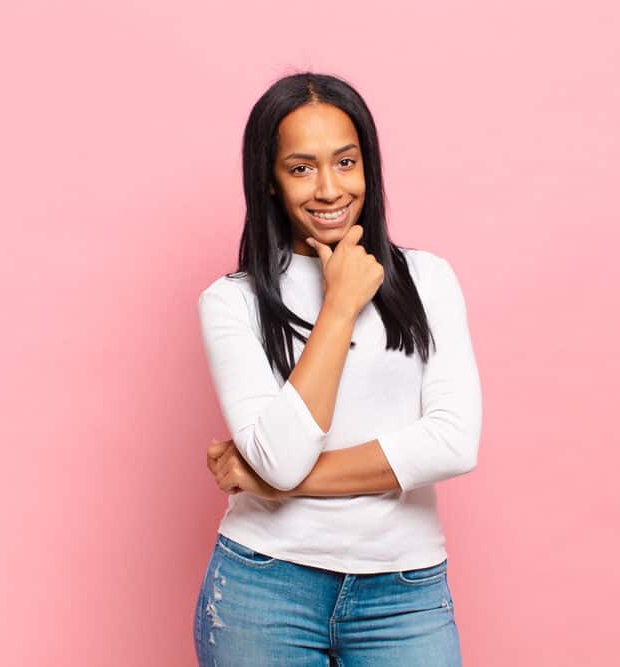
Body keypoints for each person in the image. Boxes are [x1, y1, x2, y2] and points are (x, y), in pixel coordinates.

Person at [193, 71, 482, 666]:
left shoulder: (428, 279)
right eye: (301, 168)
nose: (329, 188)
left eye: (345, 162)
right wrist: (341, 305)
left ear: (367, 166)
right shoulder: (233, 301)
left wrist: (267, 481)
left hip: (404, 592)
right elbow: (282, 456)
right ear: (269, 181)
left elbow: (452, 444)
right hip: (265, 586)